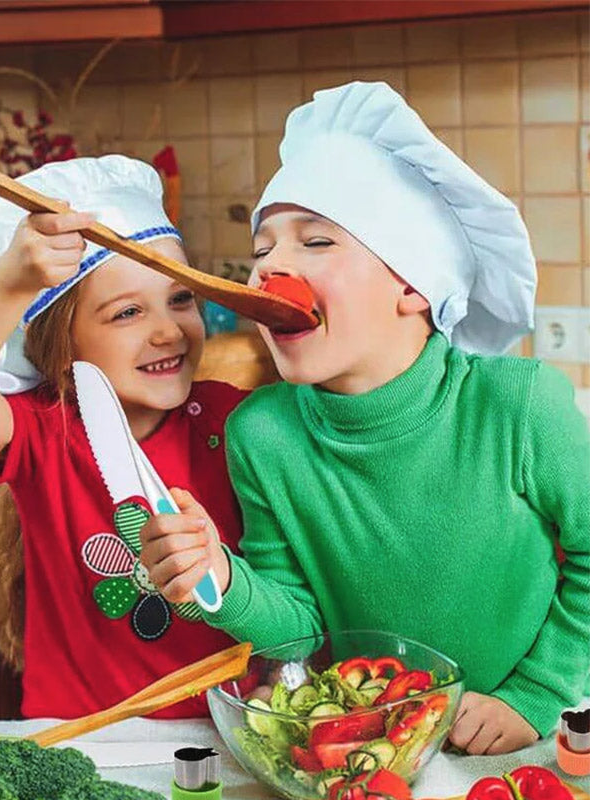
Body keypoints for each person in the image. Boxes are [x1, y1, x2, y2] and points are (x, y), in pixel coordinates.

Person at [138, 82, 590, 754]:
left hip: (527, 742)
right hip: (370, 748)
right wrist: (223, 579)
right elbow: (299, 631)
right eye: (261, 251)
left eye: (316, 241)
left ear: (414, 283)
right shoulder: (263, 433)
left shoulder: (519, 406)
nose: (271, 271)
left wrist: (535, 695)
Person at [0, 155, 246, 719]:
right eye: (127, 312)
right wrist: (10, 285)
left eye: (181, 298)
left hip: (228, 736)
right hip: (83, 742)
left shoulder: (237, 422)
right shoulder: (47, 431)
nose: (168, 330)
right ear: (64, 346)